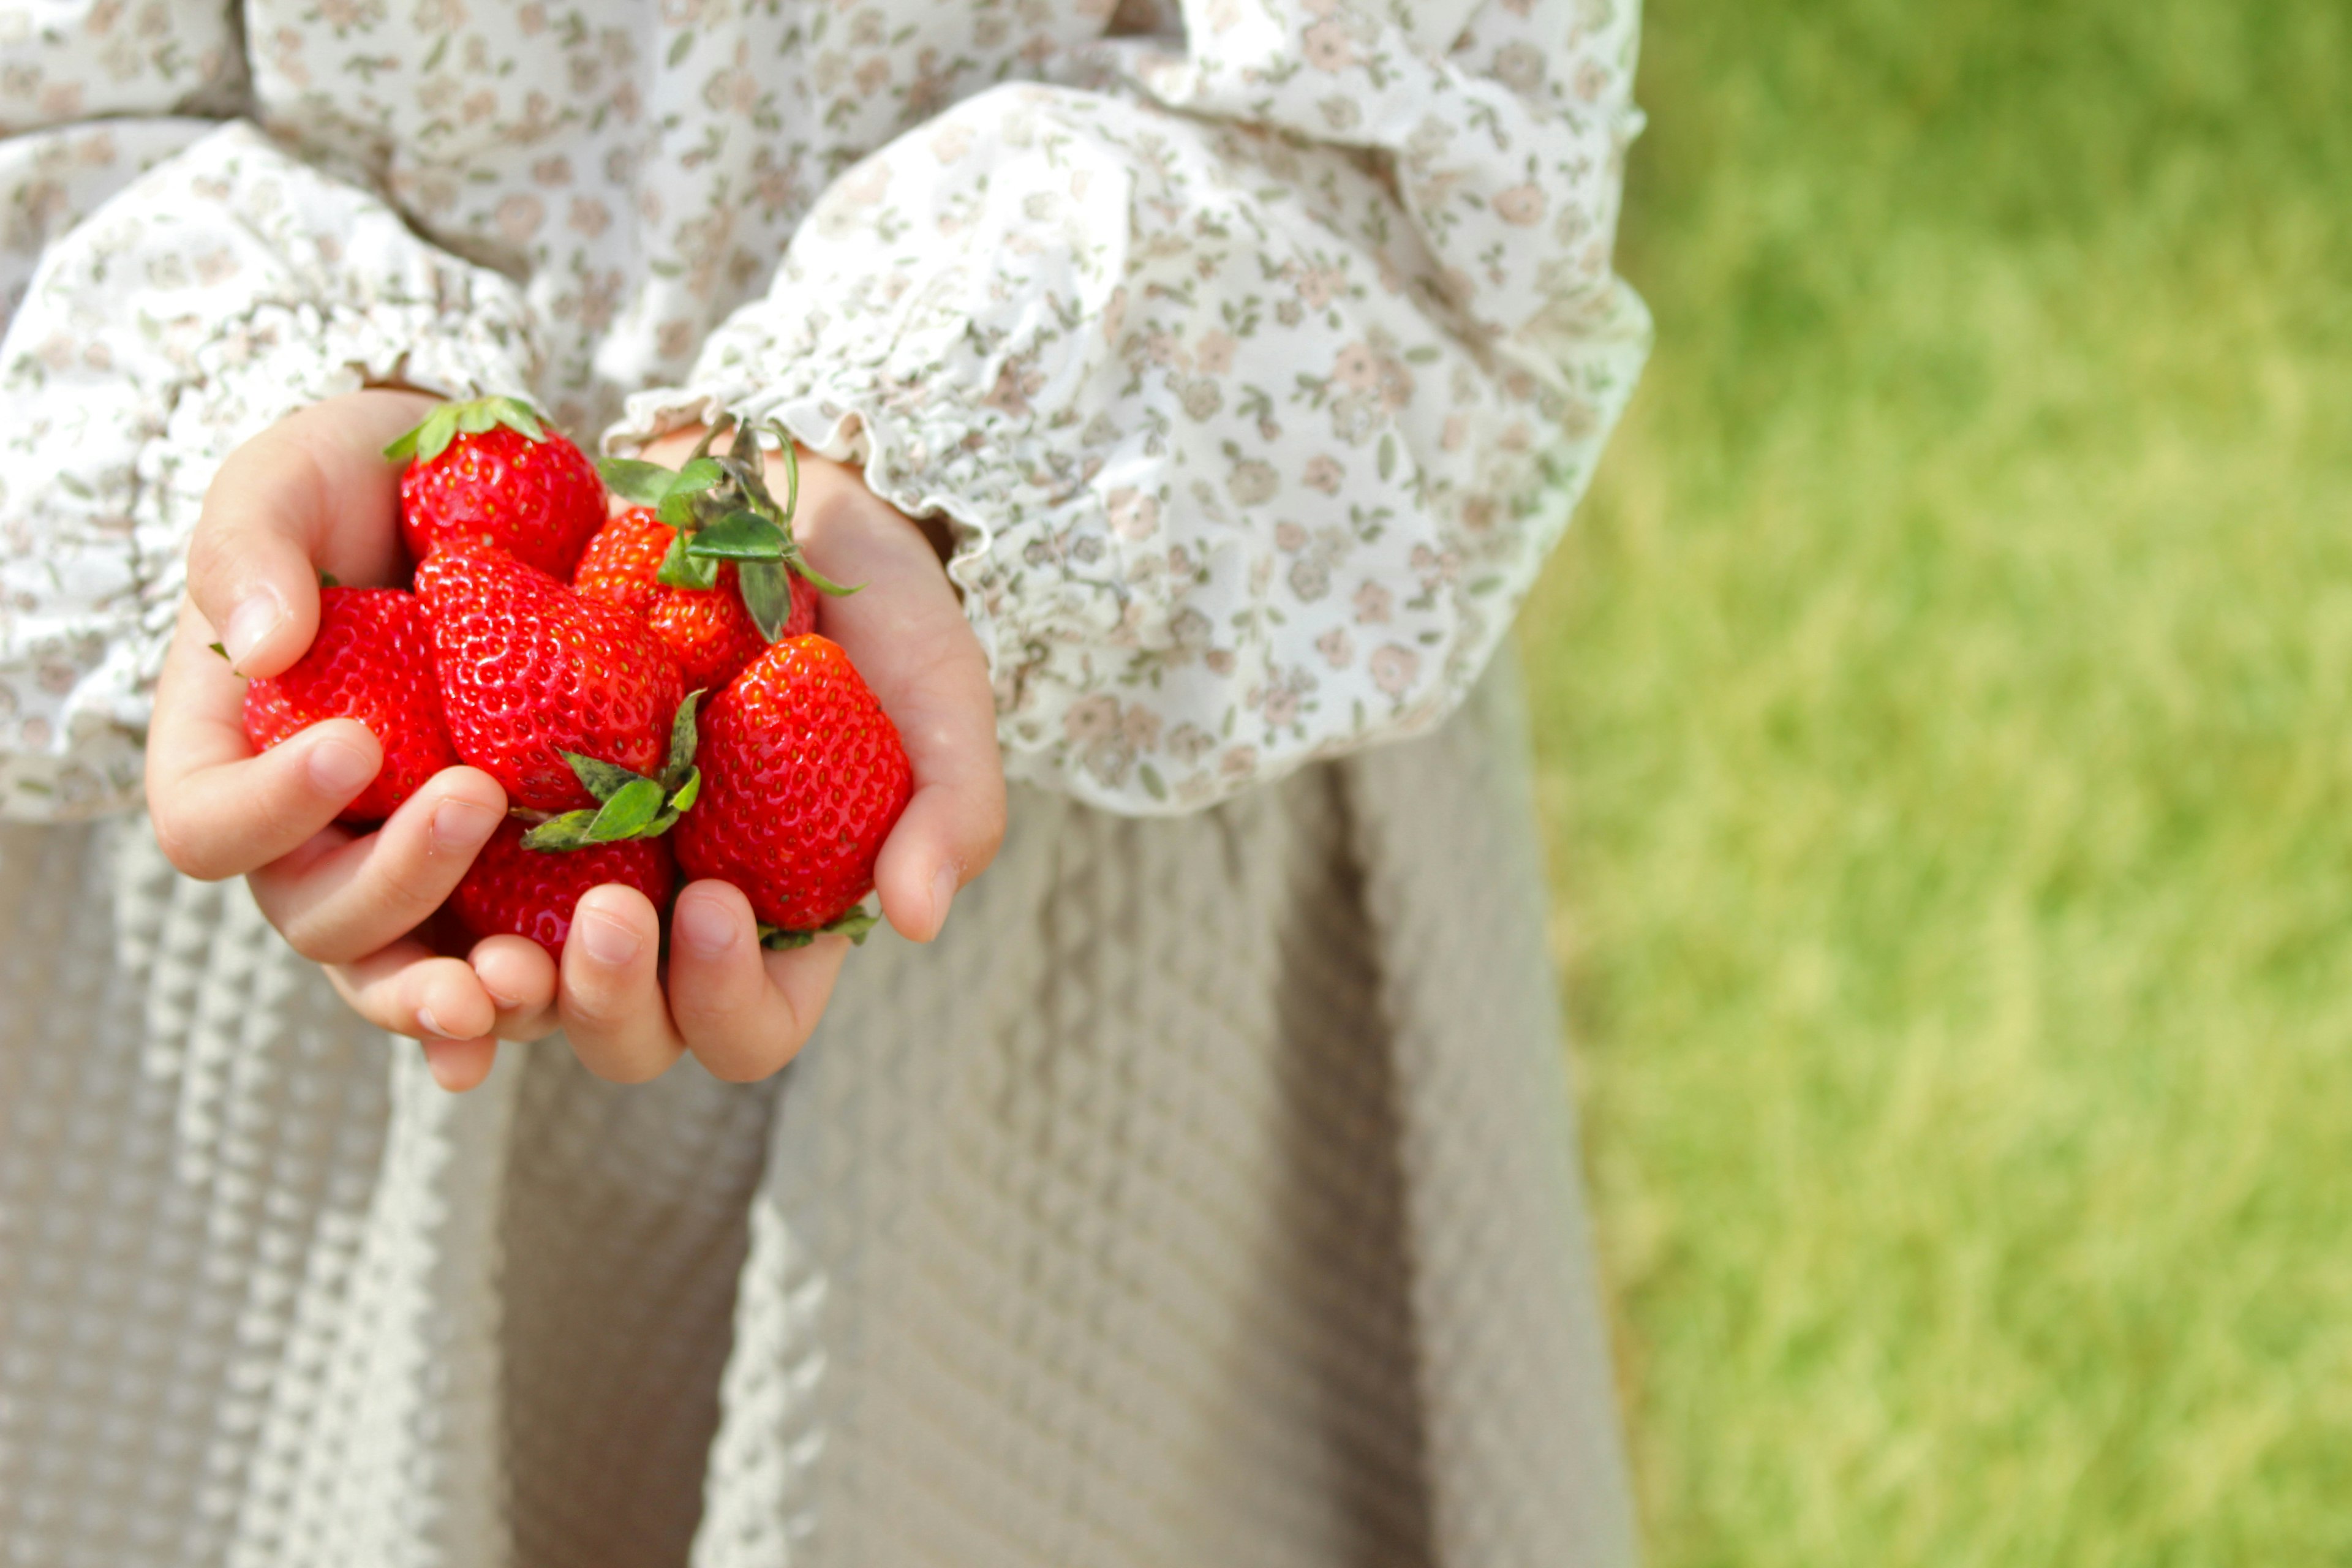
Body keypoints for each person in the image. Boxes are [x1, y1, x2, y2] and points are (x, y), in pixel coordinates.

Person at [0, 0, 1653, 1562]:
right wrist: (256, 405)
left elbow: (1403, 123)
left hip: (1109, 654)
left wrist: (927, 453)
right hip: (279, 766)